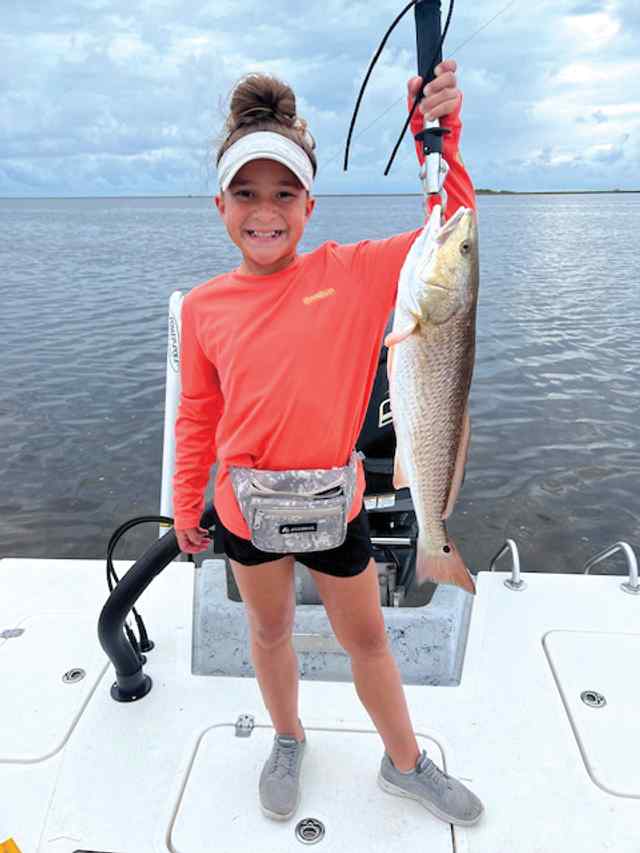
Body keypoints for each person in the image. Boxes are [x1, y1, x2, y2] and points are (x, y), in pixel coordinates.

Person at [172, 59, 483, 827]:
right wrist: (186, 502)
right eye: (247, 193)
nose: (265, 211)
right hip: (244, 514)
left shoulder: (355, 273)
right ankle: (286, 736)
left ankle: (404, 759)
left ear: (310, 203)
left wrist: (438, 139)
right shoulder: (205, 308)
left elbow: (454, 241)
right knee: (269, 630)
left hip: (332, 504)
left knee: (366, 638)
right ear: (220, 203)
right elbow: (196, 415)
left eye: (284, 193)